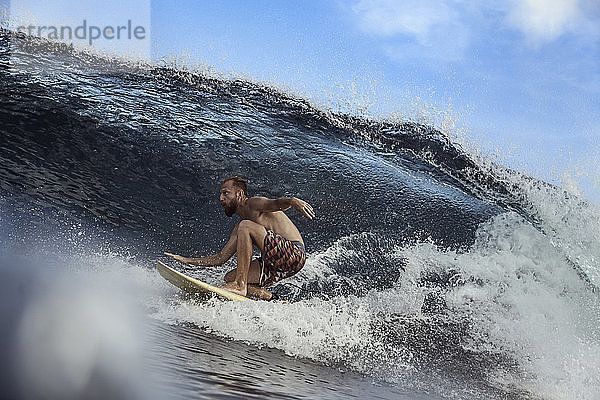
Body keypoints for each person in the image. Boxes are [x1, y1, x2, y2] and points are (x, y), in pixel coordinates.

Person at [164, 176, 314, 300]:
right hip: (277, 264)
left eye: (225, 193)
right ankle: (272, 299)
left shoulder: (253, 204)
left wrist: (292, 201)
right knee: (229, 277)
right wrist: (186, 260)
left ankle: (239, 285)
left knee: (246, 226)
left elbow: (275, 204)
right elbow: (220, 258)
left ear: (240, 194)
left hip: (294, 253)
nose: (221, 198)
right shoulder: (240, 228)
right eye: (221, 194)